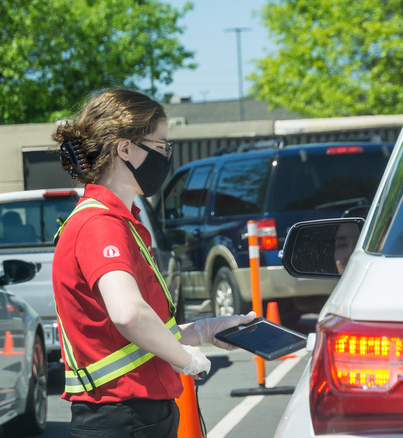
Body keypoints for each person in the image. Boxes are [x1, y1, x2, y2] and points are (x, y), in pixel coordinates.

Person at [52, 89, 255, 437]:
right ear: (125, 147)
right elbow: (129, 314)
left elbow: (131, 337)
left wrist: (204, 331)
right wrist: (185, 359)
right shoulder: (101, 224)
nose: (166, 156)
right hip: (124, 417)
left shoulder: (114, 220)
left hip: (128, 415)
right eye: (161, 146)